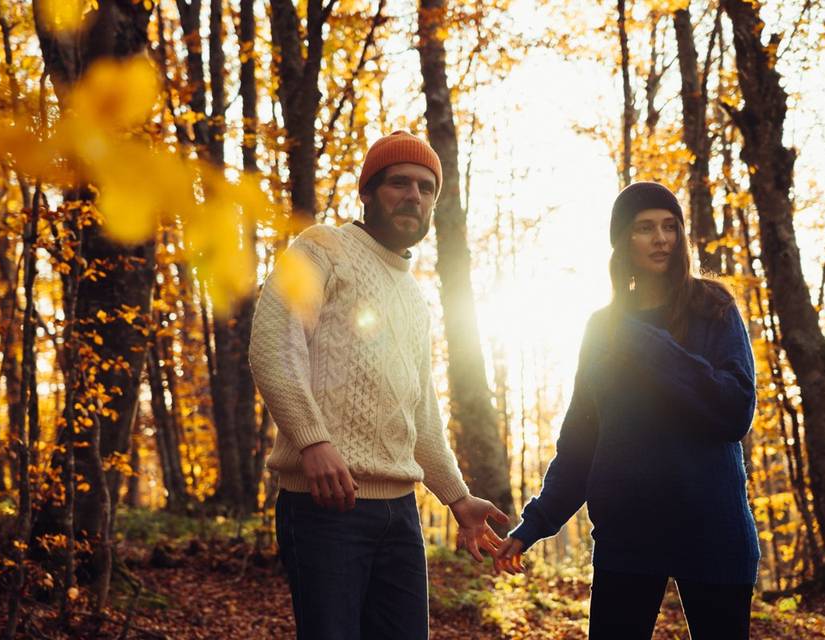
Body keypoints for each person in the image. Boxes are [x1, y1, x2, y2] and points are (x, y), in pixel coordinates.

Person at [249, 130, 507, 640]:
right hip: (326, 508)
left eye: (426, 188)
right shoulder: (322, 247)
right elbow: (273, 345)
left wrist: (457, 498)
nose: (414, 195)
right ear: (368, 192)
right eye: (399, 183)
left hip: (400, 514)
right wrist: (314, 442)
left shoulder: (413, 295)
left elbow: (422, 412)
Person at [494, 181, 760, 639]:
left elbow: (735, 410)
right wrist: (532, 526)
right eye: (645, 228)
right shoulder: (602, 328)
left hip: (713, 531)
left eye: (670, 227)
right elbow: (581, 444)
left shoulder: (713, 307)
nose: (661, 238)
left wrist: (646, 342)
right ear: (623, 241)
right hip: (628, 537)